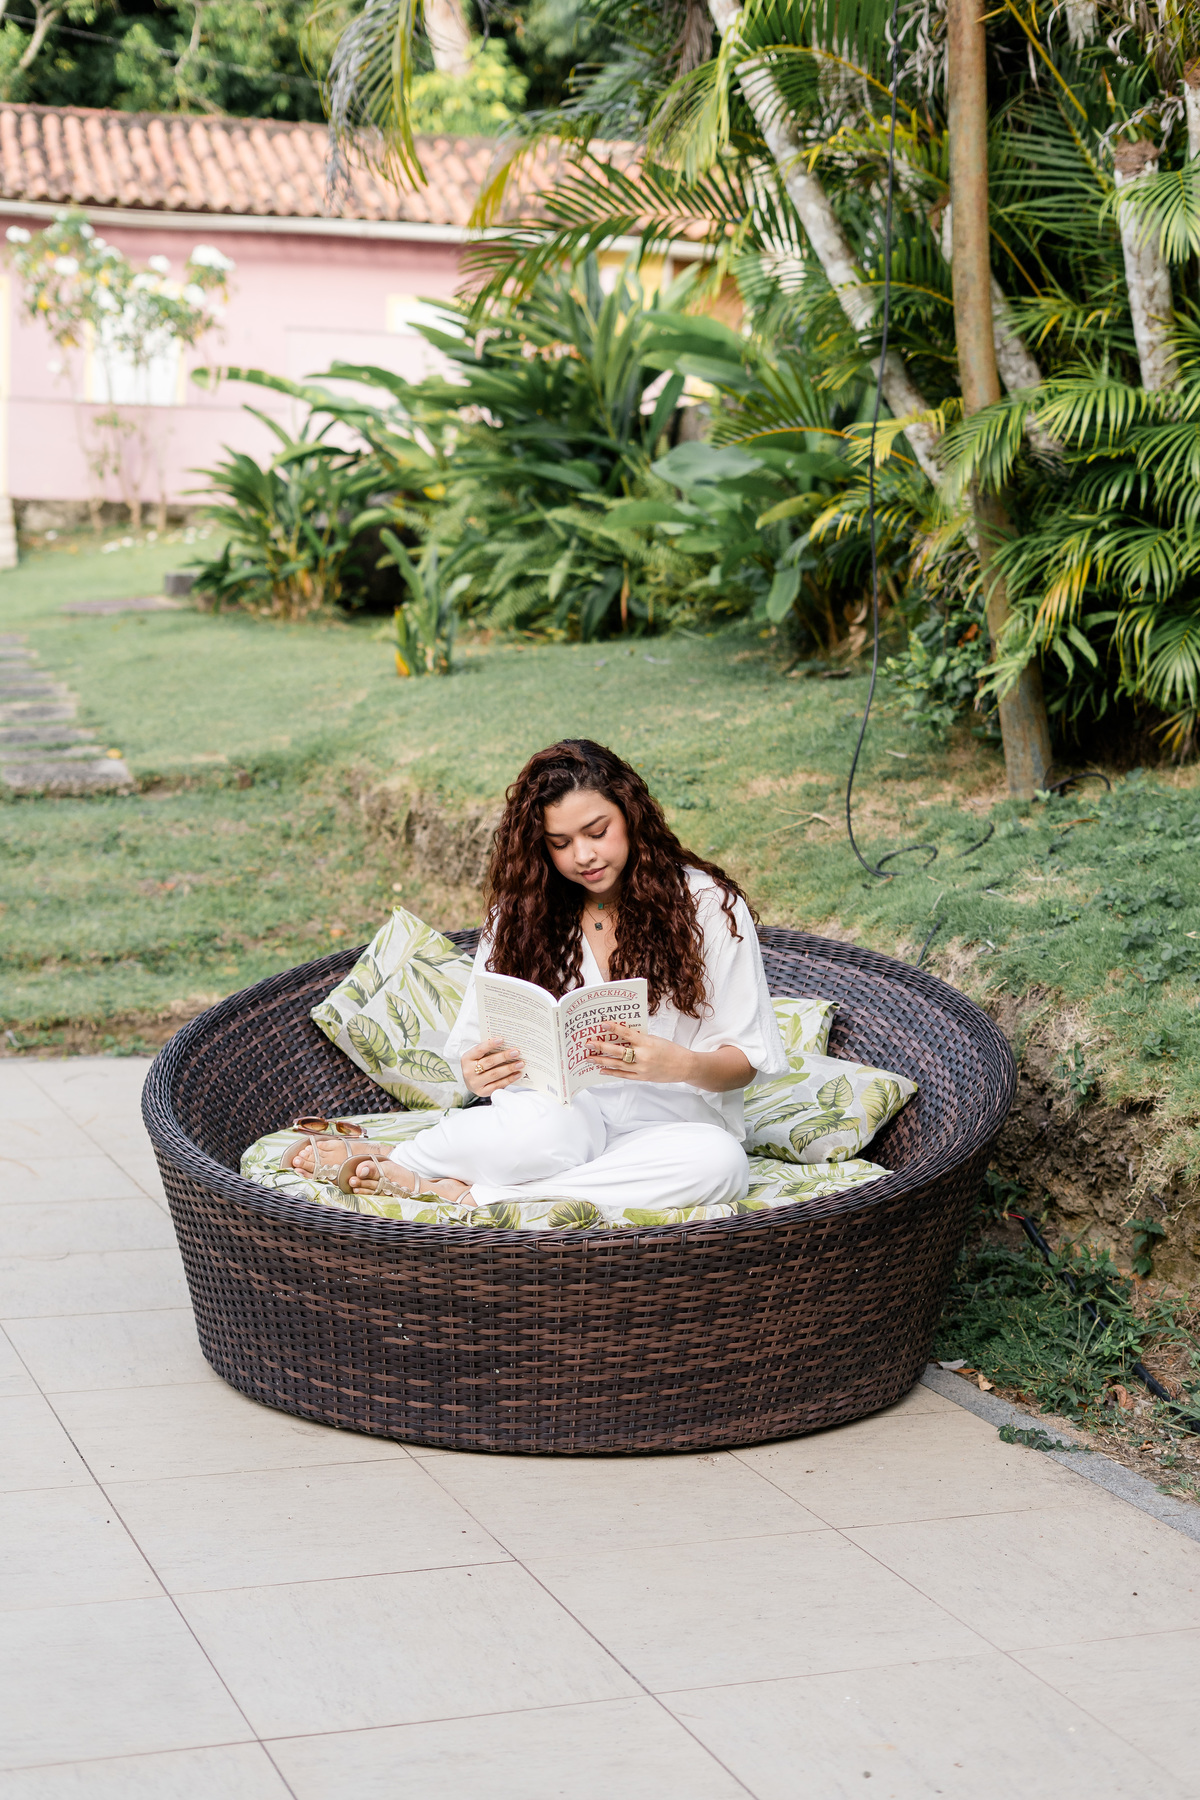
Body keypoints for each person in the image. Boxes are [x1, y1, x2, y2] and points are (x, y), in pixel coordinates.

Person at [313, 739, 786, 1216]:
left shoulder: (707, 906)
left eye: (597, 832)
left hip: (666, 1130)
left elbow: (744, 1060)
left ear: (631, 816)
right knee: (554, 1131)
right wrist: (480, 1074)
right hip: (554, 1122)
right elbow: (479, 1051)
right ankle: (408, 1157)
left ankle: (465, 1191)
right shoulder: (518, 916)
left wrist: (678, 1064)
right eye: (560, 843)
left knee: (721, 1164)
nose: (583, 855)